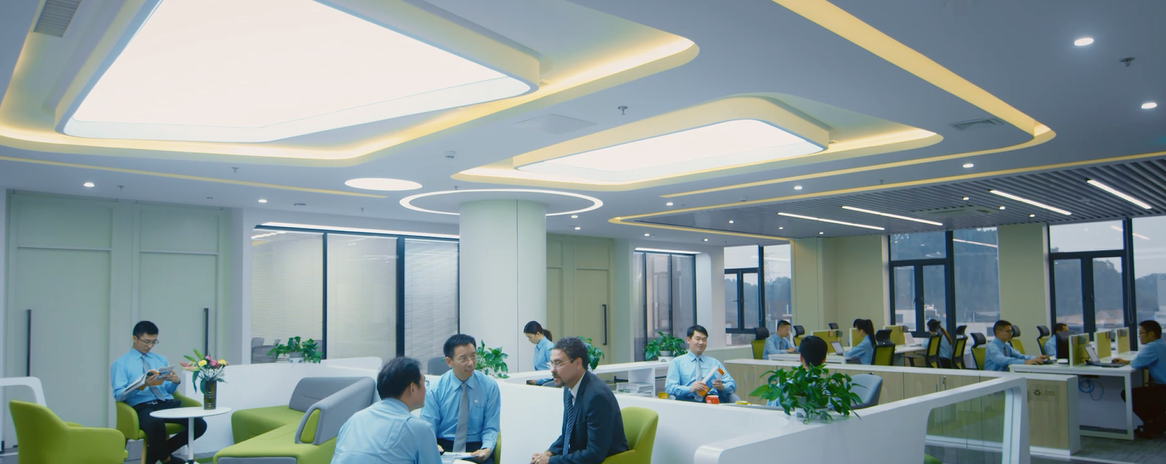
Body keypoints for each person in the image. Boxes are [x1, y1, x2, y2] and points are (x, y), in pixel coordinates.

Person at [111, 321, 206, 464]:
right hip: (142, 406)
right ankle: (168, 459)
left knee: (199, 424)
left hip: (165, 403)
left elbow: (168, 390)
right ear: (134, 338)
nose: (150, 346)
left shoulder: (160, 359)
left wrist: (175, 382)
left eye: (154, 342)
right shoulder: (120, 363)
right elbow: (119, 395)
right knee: (156, 424)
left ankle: (154, 456)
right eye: (146, 341)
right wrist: (141, 385)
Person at [530, 337, 627, 464]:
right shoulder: (569, 388)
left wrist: (551, 461)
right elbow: (568, 434)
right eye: (551, 363)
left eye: (558, 363)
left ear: (577, 363)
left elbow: (594, 455)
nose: (552, 369)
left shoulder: (597, 397)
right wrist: (549, 453)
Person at [333, 357, 440, 464]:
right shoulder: (420, 429)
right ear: (412, 388)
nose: (426, 389)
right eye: (424, 382)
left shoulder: (354, 419)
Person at [420, 334, 500, 462]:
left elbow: (491, 426)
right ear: (449, 361)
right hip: (443, 445)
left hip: (476, 446)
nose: (470, 363)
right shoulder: (435, 389)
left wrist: (486, 449)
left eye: (473, 356)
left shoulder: (489, 387)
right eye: (463, 359)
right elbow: (428, 426)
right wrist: (433, 445)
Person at [1111, 321, 1166, 437]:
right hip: (1161, 387)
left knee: (1130, 394)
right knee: (1146, 393)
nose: (1139, 336)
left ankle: (1152, 423)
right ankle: (1158, 421)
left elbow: (1136, 364)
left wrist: (1130, 362)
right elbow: (1141, 362)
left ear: (1151, 334)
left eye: (1141, 333)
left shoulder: (1151, 347)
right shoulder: (1160, 344)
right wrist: (1127, 361)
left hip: (1163, 389)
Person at [664, 325, 738, 402]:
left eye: (704, 339)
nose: (701, 342)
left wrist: (722, 387)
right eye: (698, 339)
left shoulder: (714, 363)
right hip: (688, 401)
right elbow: (669, 388)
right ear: (688, 340)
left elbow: (732, 384)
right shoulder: (677, 362)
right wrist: (690, 389)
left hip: (712, 401)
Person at [765, 336, 827, 407]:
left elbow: (770, 409)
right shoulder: (828, 391)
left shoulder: (783, 387)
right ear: (824, 359)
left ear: (800, 357)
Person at [984, 320, 1048, 371]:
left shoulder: (1006, 346)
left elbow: (1020, 356)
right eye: (1008, 331)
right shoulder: (992, 346)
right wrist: (1025, 362)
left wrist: (1036, 358)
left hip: (1005, 375)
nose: (1010, 334)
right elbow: (1002, 360)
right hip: (993, 377)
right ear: (998, 332)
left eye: (1011, 331)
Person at [525, 321, 555, 385]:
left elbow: (554, 370)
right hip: (540, 380)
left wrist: (538, 381)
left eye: (530, 337)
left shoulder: (549, 346)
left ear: (537, 334)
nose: (529, 340)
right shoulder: (537, 347)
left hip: (548, 382)